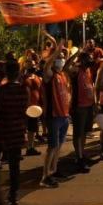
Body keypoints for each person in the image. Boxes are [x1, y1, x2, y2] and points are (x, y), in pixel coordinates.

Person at [0, 60, 29, 205]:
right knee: (14, 165)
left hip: (2, 129)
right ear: (18, 73)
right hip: (17, 130)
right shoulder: (24, 90)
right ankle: (13, 195)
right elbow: (26, 109)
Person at [40, 37, 71, 188]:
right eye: (59, 58)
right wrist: (56, 51)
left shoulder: (62, 75)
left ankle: (54, 170)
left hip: (64, 116)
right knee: (52, 146)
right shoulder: (49, 75)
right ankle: (45, 176)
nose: (61, 60)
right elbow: (47, 65)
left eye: (63, 58)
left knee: (58, 146)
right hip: (53, 116)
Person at [68, 51, 94, 173]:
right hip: (78, 106)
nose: (91, 60)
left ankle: (81, 154)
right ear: (82, 60)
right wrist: (74, 55)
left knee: (84, 132)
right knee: (78, 133)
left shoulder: (88, 70)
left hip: (88, 105)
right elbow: (65, 68)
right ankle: (78, 158)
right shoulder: (76, 70)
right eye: (89, 58)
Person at [22, 59, 42, 156]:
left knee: (33, 128)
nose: (33, 66)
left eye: (34, 64)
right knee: (25, 128)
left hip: (35, 107)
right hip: (26, 107)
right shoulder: (23, 78)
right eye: (30, 64)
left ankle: (31, 147)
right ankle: (26, 147)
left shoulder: (37, 77)